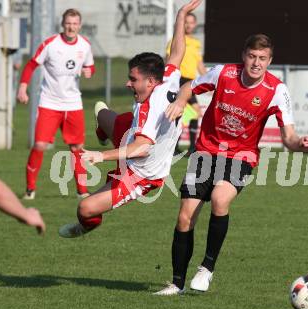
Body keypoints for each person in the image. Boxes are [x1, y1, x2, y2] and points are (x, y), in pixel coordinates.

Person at [155, 34, 308, 295]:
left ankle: (206, 268)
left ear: (270, 61)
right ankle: (176, 284)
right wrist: (181, 102)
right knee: (185, 218)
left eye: (262, 59)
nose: (256, 63)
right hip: (206, 151)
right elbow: (188, 86)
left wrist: (300, 145)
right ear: (244, 56)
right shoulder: (223, 73)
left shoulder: (277, 90)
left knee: (220, 199)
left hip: (241, 156)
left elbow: (289, 137)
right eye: (252, 56)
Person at [58, 0, 202, 239]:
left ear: (150, 82)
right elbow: (177, 52)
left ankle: (85, 226)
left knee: (85, 208)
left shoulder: (150, 110)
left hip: (140, 174)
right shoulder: (166, 77)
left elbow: (142, 148)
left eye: (133, 79)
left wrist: (100, 155)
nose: (127, 83)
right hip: (132, 133)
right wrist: (181, 14)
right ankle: (105, 131)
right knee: (102, 113)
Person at [17, 8, 95, 200]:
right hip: (49, 103)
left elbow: (90, 66)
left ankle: (82, 191)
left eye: (75, 23)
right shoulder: (50, 44)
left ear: (80, 25)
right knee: (40, 145)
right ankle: (30, 189)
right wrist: (22, 87)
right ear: (62, 24)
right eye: (68, 23)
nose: (71, 27)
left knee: (77, 147)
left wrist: (89, 72)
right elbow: (31, 65)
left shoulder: (84, 45)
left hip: (73, 103)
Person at [166, 12, 206, 156]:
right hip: (179, 80)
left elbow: (199, 64)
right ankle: (189, 148)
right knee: (193, 112)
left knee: (183, 114)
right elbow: (168, 61)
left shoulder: (196, 43)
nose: (188, 25)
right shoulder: (175, 41)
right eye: (186, 22)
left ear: (195, 24)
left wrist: (208, 80)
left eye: (191, 22)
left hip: (190, 81)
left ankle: (181, 148)